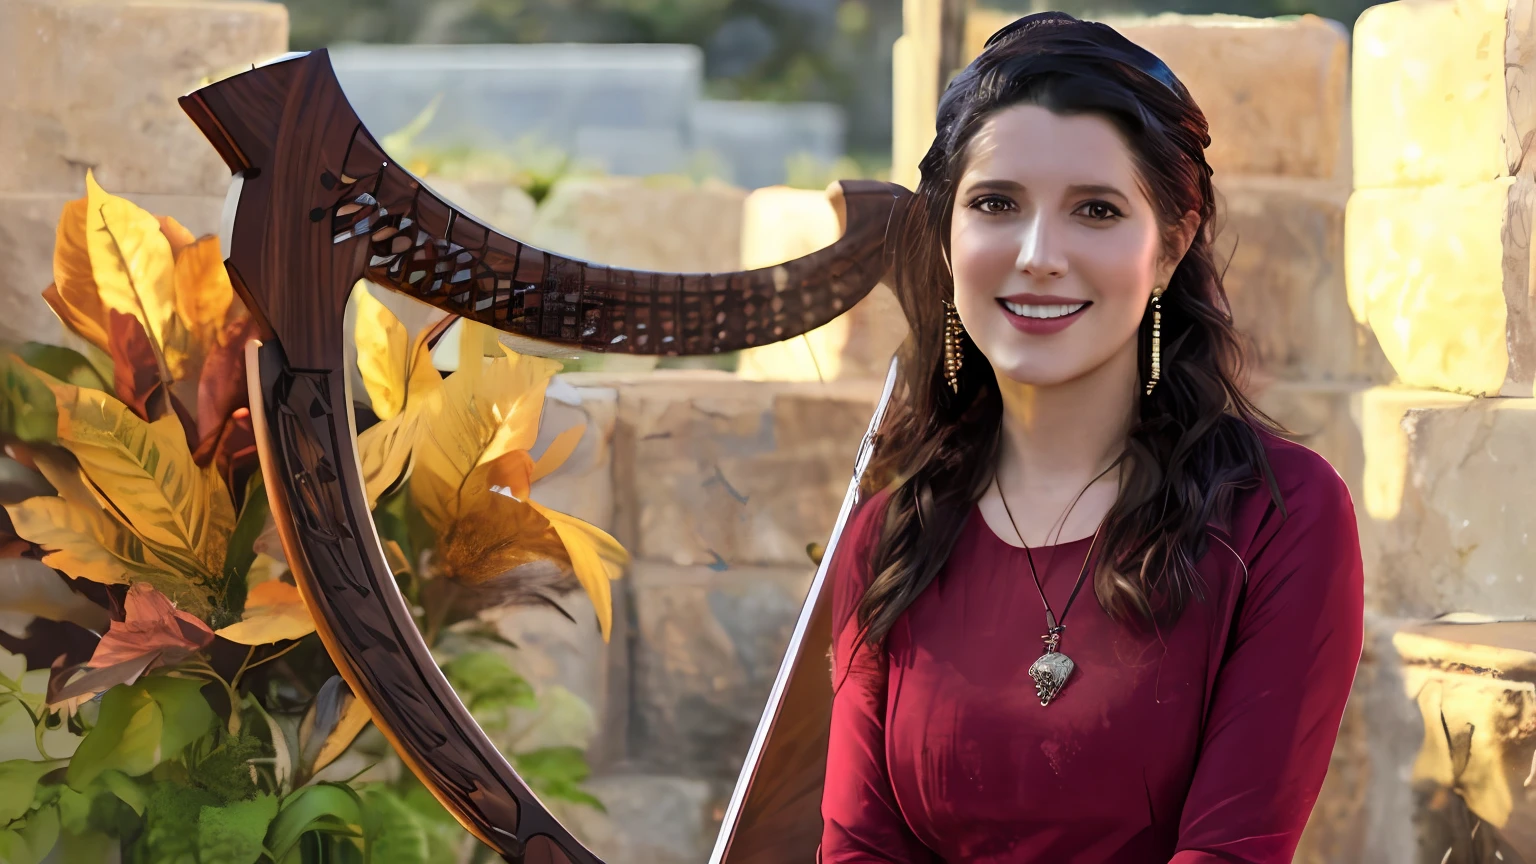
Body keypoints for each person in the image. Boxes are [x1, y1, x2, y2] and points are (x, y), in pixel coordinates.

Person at [818, 12, 1365, 863]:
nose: (1039, 254)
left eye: (1097, 211)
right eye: (996, 204)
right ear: (947, 236)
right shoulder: (889, 538)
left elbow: (1233, 850)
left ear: (1170, 248)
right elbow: (859, 850)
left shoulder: (1280, 515)